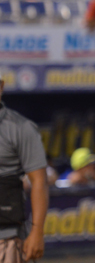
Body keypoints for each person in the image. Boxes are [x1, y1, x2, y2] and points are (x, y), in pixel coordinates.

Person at [0, 70, 48, 262]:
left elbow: (39, 181)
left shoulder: (20, 127)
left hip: (6, 235)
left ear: (1, 87)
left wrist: (37, 233)